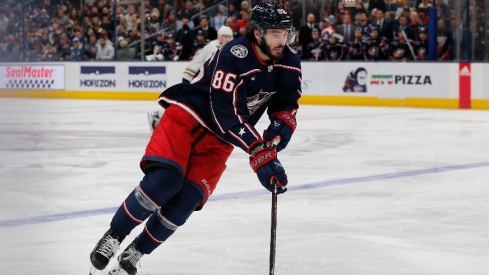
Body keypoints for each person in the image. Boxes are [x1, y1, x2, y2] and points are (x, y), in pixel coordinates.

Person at [89, 3, 301, 275]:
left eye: (286, 34)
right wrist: (257, 149)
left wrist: (278, 133)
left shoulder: (289, 61)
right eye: (275, 34)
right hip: (188, 118)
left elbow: (287, 103)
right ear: (257, 33)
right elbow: (225, 112)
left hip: (221, 142)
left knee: (186, 200)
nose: (281, 41)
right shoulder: (234, 53)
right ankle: (114, 236)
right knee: (164, 182)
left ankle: (135, 252)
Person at [147, 25, 234, 131]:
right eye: (225, 36)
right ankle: (159, 116)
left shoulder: (220, 46)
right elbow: (211, 67)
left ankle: (160, 116)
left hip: (195, 76)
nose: (227, 39)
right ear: (219, 37)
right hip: (193, 77)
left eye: (229, 37)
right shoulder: (214, 47)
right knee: (189, 105)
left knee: (190, 105)